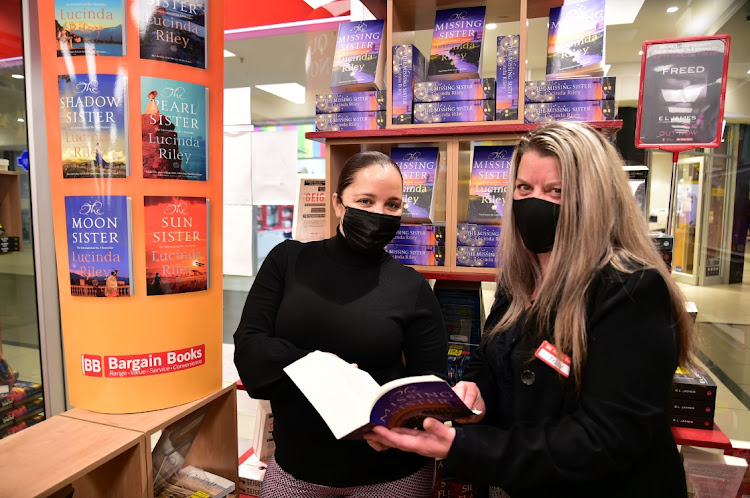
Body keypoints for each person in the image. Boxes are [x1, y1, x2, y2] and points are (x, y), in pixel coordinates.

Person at [364, 122, 695, 498]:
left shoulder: (631, 290)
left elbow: (604, 438)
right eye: (524, 188)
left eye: (556, 191)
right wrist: (473, 393)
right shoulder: (520, 278)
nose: (535, 202)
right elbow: (490, 361)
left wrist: (466, 447)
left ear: (594, 198)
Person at [234, 151, 447, 497]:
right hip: (297, 472)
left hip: (391, 476)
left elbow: (430, 388)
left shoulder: (411, 287)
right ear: (337, 204)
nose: (379, 213)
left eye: (392, 204)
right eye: (365, 200)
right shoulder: (287, 262)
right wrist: (318, 367)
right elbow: (250, 354)